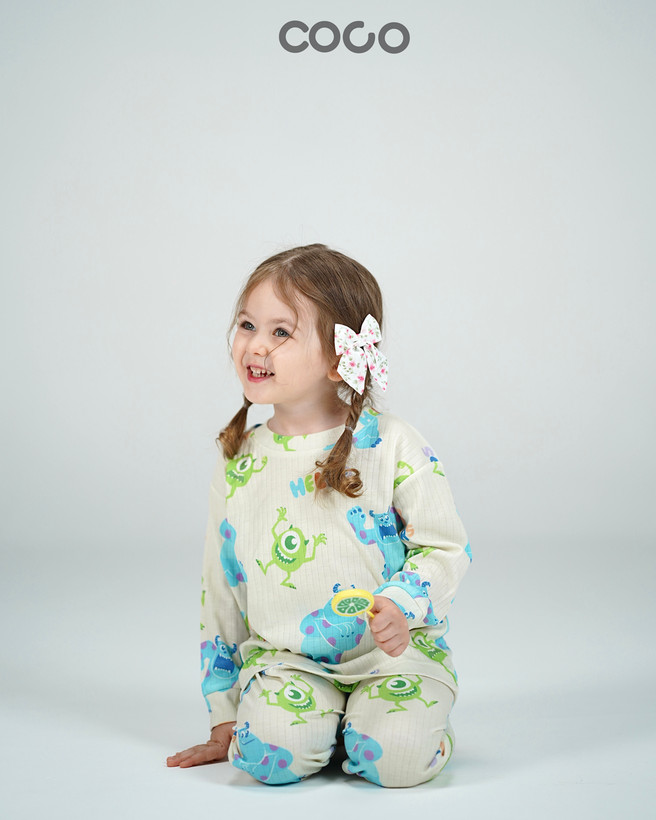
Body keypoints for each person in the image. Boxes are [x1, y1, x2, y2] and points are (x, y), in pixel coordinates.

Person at [166, 244, 471, 787]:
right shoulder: (239, 459)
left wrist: (402, 605)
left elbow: (445, 547)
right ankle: (324, 725)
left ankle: (388, 727)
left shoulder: (391, 443)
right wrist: (224, 712)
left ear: (339, 357)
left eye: (281, 332)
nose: (255, 345)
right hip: (289, 662)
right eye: (247, 325)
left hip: (392, 655)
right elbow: (221, 589)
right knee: (263, 756)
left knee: (397, 759)